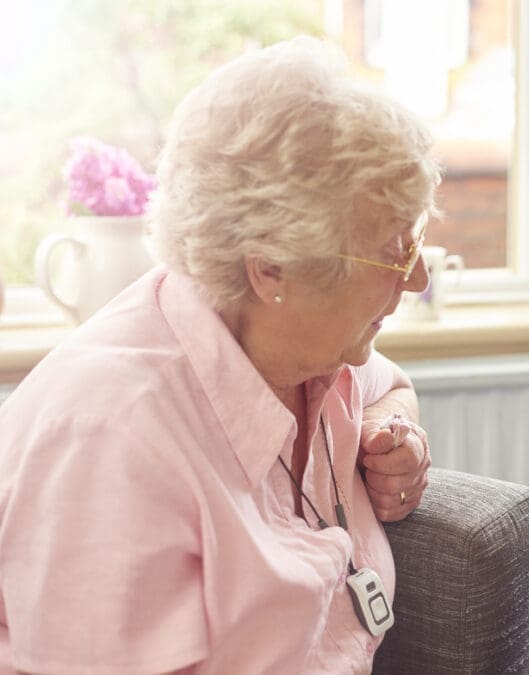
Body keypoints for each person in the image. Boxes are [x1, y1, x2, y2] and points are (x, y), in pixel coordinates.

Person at [0, 37, 439, 673]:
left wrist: (394, 436)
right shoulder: (110, 441)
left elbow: (388, 385)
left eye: (416, 239)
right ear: (270, 270)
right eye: (395, 252)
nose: (419, 277)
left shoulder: (308, 349)